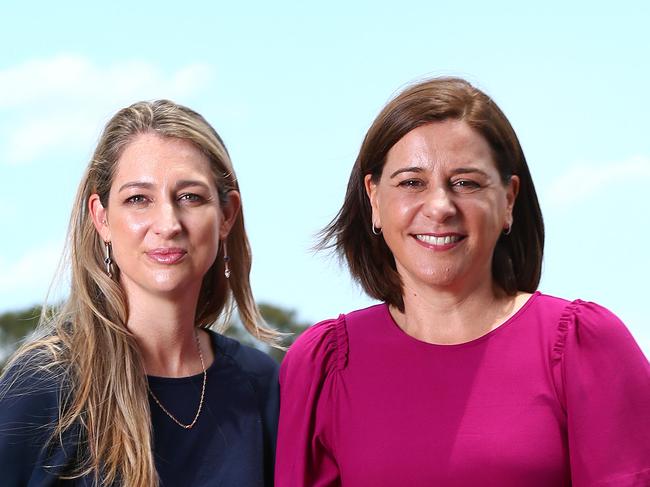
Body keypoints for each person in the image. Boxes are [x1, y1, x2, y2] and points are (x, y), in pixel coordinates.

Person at [275, 77, 650, 486]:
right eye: (411, 182)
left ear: (508, 200)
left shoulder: (585, 347)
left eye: (466, 183)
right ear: (374, 199)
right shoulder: (325, 366)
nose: (440, 207)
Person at [0, 100, 280, 486]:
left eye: (190, 197)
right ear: (101, 218)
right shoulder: (43, 386)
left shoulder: (260, 383)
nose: (167, 223)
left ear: (226, 215)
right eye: (138, 199)